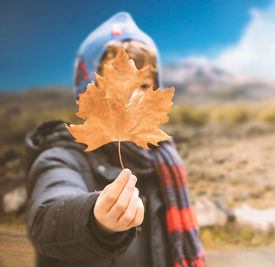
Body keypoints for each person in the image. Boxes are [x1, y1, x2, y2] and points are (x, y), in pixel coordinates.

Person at [24, 11, 206, 267]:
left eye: (143, 86)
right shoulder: (62, 154)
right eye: (114, 85)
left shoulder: (163, 160)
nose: (132, 98)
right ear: (87, 95)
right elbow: (45, 218)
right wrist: (96, 219)